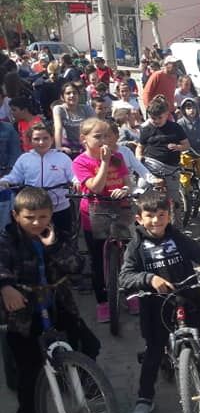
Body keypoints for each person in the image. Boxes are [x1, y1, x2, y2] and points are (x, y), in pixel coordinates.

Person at [0, 187, 99, 413]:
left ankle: (82, 381)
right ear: (15, 215)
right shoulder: (7, 240)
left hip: (58, 305)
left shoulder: (58, 235)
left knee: (89, 346)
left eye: (43, 217)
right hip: (23, 314)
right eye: (30, 217)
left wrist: (53, 246)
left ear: (51, 214)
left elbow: (77, 265)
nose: (37, 223)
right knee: (28, 372)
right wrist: (6, 286)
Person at [119, 191, 200, 413]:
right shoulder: (136, 245)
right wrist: (149, 279)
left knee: (198, 342)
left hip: (186, 296)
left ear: (169, 216)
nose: (156, 220)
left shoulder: (178, 237)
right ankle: (145, 398)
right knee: (154, 349)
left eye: (161, 214)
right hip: (154, 304)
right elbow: (125, 276)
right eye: (150, 216)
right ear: (139, 218)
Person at [72, 118, 133, 322]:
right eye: (97, 136)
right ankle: (103, 301)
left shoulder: (118, 157)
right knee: (98, 259)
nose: (103, 140)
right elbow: (95, 188)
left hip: (119, 209)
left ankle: (130, 292)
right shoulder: (81, 162)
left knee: (128, 254)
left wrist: (124, 190)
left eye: (106, 135)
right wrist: (104, 162)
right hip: (94, 212)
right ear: (84, 139)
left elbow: (127, 183)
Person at [0, 123, 74, 238]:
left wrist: (77, 182)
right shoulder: (24, 159)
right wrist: (4, 181)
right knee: (34, 240)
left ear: (52, 138)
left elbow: (73, 176)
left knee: (63, 239)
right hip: (35, 210)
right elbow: (14, 176)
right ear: (30, 141)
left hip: (59, 207)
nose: (41, 142)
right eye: (36, 139)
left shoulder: (62, 158)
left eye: (45, 138)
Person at [138, 96, 190, 222]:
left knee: (174, 199)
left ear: (166, 114)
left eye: (159, 118)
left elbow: (187, 145)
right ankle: (143, 220)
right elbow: (140, 146)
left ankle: (177, 226)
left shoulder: (175, 128)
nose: (155, 121)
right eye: (152, 118)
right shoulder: (146, 129)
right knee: (142, 189)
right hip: (151, 164)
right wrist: (138, 157)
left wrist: (178, 147)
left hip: (171, 167)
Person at [52, 83, 96, 156]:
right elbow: (58, 128)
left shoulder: (87, 109)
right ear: (62, 97)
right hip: (67, 148)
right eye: (68, 93)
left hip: (85, 146)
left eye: (74, 93)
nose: (72, 95)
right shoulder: (59, 109)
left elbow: (96, 127)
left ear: (79, 95)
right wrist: (58, 147)